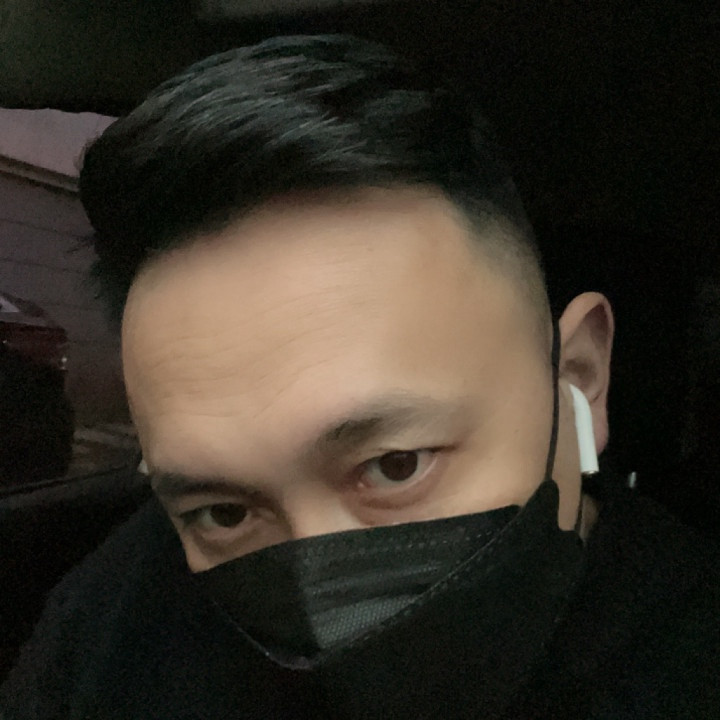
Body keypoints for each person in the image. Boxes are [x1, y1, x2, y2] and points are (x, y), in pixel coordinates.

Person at [2, 34, 719, 719]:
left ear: (580, 380)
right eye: (225, 513)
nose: (327, 619)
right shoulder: (108, 635)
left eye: (396, 465)